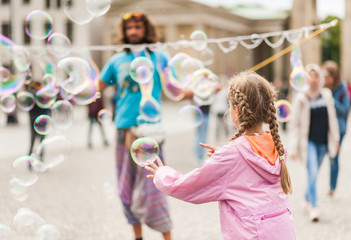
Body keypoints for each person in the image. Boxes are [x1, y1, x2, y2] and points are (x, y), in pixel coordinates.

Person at [146, 71, 296, 240]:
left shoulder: (231, 155)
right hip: (283, 231)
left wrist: (162, 174)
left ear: (236, 110)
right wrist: (224, 156)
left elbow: (189, 186)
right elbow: (250, 165)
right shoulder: (276, 143)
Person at [97, 12, 171, 240]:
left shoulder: (159, 57)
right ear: (124, 32)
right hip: (123, 130)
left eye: (138, 27)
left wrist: (202, 90)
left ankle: (167, 236)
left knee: (156, 186)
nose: (133, 32)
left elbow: (174, 88)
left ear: (146, 30)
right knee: (126, 187)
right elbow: (95, 87)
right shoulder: (116, 60)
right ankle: (137, 236)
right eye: (129, 28)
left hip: (151, 131)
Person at [288, 63, 339, 222]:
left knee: (314, 173)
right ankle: (314, 207)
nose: (313, 79)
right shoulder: (301, 97)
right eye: (310, 76)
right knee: (312, 172)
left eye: (316, 75)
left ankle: (307, 198)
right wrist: (293, 147)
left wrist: (336, 140)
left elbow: (333, 120)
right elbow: (294, 124)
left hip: (324, 141)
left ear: (320, 78)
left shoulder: (327, 95)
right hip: (308, 142)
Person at [322, 60, 350, 197]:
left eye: (328, 76)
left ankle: (332, 186)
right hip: (324, 127)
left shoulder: (343, 90)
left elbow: (345, 110)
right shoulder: (322, 88)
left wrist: (331, 101)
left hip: (339, 129)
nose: (325, 79)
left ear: (334, 76)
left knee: (334, 157)